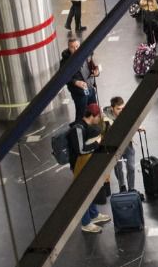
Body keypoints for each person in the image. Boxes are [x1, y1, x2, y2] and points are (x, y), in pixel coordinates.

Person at [69, 104, 112, 234]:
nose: (99, 119)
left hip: (87, 164)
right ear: (93, 116)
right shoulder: (78, 128)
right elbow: (81, 150)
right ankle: (86, 223)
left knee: (91, 189)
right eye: (98, 116)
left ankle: (93, 214)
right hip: (79, 165)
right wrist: (96, 144)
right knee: (83, 194)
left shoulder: (88, 126)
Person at [103, 96, 140, 194]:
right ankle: (122, 186)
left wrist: (137, 127)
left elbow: (132, 122)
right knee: (118, 168)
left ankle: (131, 188)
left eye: (123, 108)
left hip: (127, 144)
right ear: (112, 108)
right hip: (115, 147)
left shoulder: (126, 113)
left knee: (131, 167)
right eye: (118, 109)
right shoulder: (106, 119)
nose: (121, 111)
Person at [60, 36, 100, 121]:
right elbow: (63, 78)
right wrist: (75, 82)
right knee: (81, 114)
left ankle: (93, 128)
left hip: (90, 88)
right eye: (72, 47)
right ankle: (79, 128)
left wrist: (96, 72)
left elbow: (93, 66)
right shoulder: (65, 62)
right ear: (68, 48)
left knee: (94, 111)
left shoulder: (87, 54)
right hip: (79, 92)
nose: (75, 49)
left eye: (77, 46)